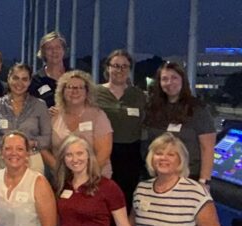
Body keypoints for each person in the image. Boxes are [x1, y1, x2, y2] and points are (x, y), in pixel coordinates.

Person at [132, 133, 223, 226]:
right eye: (158, 153)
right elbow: (132, 225)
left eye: (171, 155)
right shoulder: (142, 189)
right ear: (151, 158)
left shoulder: (195, 192)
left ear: (181, 160)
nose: (163, 158)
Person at [54, 135, 137, 226]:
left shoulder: (108, 187)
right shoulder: (61, 187)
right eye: (69, 155)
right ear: (63, 159)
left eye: (79, 153)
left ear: (89, 155)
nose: (75, 159)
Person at [144, 62, 216, 183]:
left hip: (189, 177)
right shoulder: (153, 108)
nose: (169, 82)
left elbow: (207, 148)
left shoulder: (198, 109)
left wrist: (204, 180)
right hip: (157, 176)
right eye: (164, 79)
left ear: (183, 80)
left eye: (174, 78)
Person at [0, 132, 56, 226]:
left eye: (19, 149)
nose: (13, 153)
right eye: (8, 148)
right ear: (1, 152)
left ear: (27, 153)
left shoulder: (39, 182)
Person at [96, 49, 147, 212]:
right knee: (101, 196)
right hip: (102, 153)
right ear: (108, 68)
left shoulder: (139, 95)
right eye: (116, 65)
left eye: (125, 66)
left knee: (125, 199)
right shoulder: (94, 93)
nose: (120, 70)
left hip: (130, 155)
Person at [0, 63, 51, 175]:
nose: (19, 83)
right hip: (1, 160)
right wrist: (6, 143)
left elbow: (47, 139)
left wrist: (28, 144)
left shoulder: (40, 105)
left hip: (31, 159)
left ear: (30, 82)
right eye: (15, 78)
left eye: (24, 79)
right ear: (8, 79)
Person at [44, 70, 113, 178]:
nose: (75, 91)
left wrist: (85, 177)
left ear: (87, 92)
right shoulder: (53, 116)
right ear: (62, 91)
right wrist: (61, 172)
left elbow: (104, 152)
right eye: (70, 87)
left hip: (95, 176)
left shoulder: (98, 116)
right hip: (61, 179)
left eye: (80, 88)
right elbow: (43, 148)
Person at [29, 31, 67, 108]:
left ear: (63, 50)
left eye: (58, 47)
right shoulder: (35, 80)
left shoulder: (75, 77)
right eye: (49, 48)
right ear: (43, 52)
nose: (54, 51)